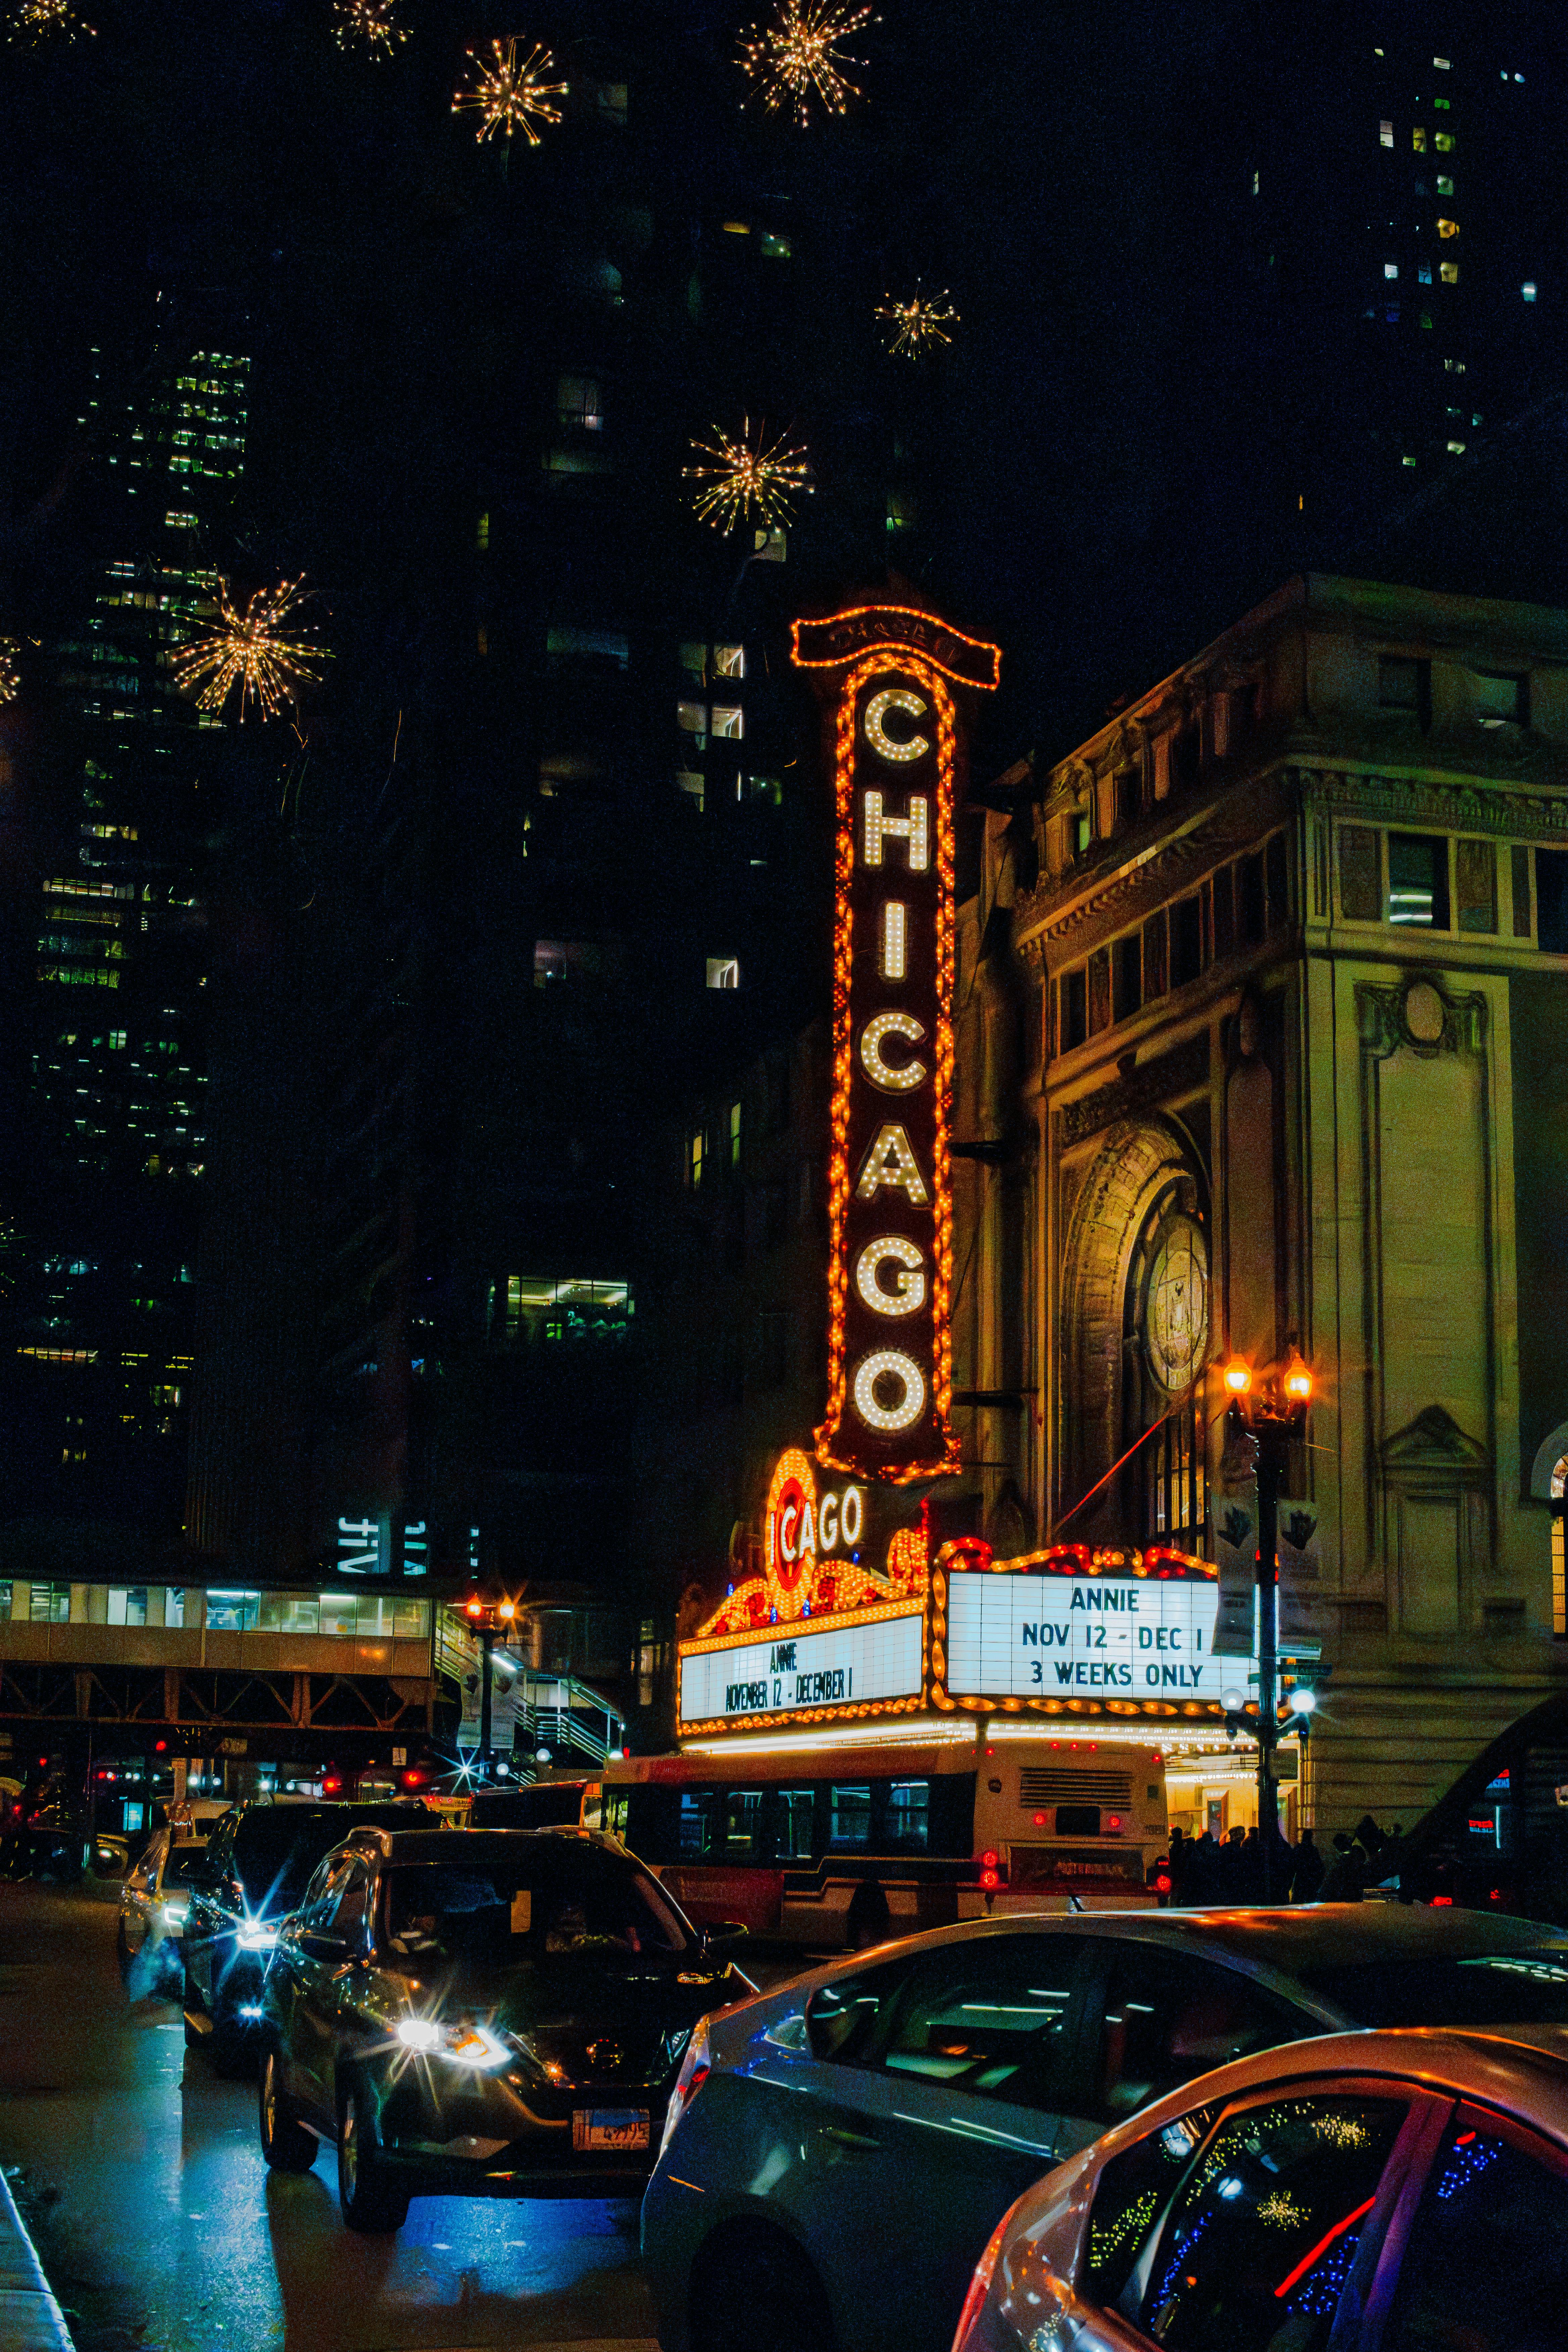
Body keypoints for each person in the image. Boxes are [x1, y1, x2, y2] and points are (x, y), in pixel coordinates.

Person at [1290, 1827, 1325, 1903]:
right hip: (1311, 1881)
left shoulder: (1298, 1849)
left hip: (1301, 1880)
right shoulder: (1313, 1850)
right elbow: (1320, 1867)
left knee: (1299, 1901)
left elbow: (1293, 1865)